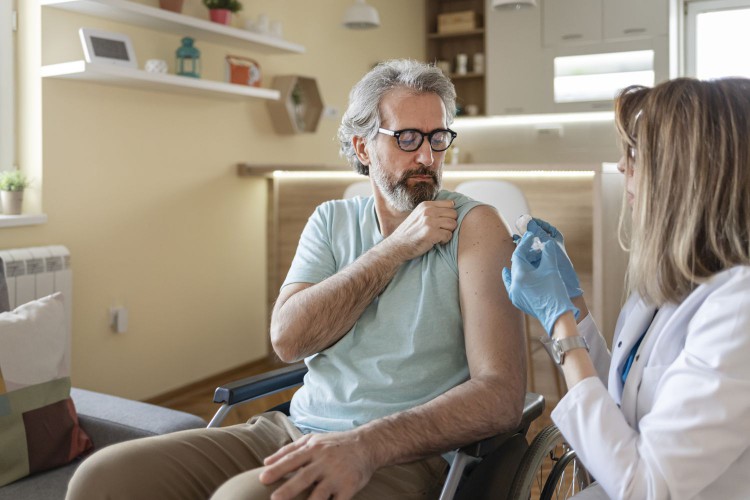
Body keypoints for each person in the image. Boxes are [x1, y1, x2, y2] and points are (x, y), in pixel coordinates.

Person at [66, 59, 526, 500]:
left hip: (401, 455)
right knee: (102, 479)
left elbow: (501, 394)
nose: (427, 155)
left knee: (242, 498)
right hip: (291, 430)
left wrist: (364, 445)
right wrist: (394, 249)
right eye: (406, 137)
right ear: (363, 147)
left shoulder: (476, 227)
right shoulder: (330, 220)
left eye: (438, 136)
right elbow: (289, 339)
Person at [503, 77, 750, 499]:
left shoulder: (740, 307)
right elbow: (618, 409)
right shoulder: (669, 286)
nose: (621, 166)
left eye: (635, 153)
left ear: (688, 172)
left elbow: (645, 487)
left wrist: (558, 321)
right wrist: (573, 306)